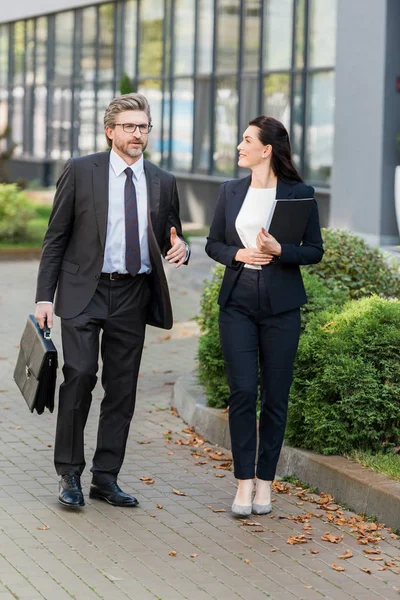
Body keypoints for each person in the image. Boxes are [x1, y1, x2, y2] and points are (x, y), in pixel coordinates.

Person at [35, 93, 189, 509]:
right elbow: (55, 238)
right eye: (129, 126)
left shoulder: (163, 181)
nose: (137, 133)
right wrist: (43, 298)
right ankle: (69, 472)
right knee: (80, 375)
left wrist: (182, 249)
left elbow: (170, 234)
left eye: (143, 127)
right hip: (84, 290)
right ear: (110, 131)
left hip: (132, 295)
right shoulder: (82, 171)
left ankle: (106, 477)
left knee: (122, 388)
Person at [205, 116, 323, 517]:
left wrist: (279, 250)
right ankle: (242, 483)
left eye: (246, 140)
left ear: (267, 149)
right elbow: (213, 243)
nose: (240, 146)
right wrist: (238, 254)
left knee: (275, 396)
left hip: (281, 308)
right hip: (237, 301)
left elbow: (313, 250)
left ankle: (266, 484)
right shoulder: (230, 190)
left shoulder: (299, 193)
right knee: (241, 393)